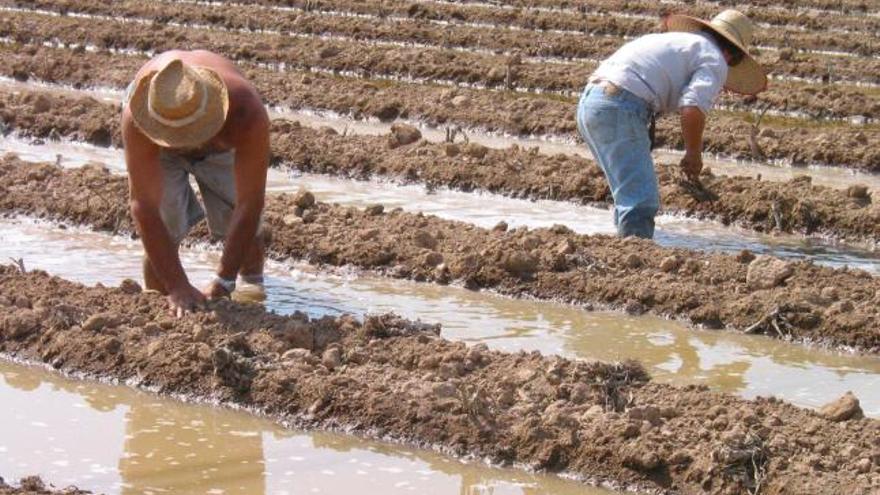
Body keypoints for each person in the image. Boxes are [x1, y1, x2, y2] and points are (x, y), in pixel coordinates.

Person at [576, 10, 768, 239]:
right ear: (732, 55)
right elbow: (692, 108)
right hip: (619, 108)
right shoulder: (714, 58)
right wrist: (693, 155)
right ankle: (636, 266)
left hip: (591, 102)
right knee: (641, 201)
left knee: (627, 193)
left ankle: (625, 249)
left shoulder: (675, 42)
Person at [121, 50, 270, 317]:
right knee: (165, 224)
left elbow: (250, 202)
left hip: (222, 140)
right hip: (159, 146)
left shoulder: (244, 113)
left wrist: (223, 282)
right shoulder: (140, 117)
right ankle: (161, 301)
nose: (184, 143)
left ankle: (253, 286)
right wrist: (177, 285)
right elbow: (144, 206)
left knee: (241, 217)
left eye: (189, 134)